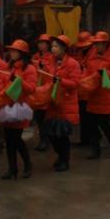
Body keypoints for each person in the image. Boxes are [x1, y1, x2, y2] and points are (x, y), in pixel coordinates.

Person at [39, 35, 80, 172]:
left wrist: (61, 80)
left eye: (56, 46)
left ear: (64, 48)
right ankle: (60, 156)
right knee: (51, 134)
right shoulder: (50, 61)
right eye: (53, 46)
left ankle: (64, 160)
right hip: (52, 103)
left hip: (66, 103)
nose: (53, 49)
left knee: (62, 136)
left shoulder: (73, 64)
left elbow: (75, 84)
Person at [0, 40, 36, 179]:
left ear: (22, 53)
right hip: (7, 107)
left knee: (16, 139)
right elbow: (3, 84)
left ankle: (27, 164)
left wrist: (19, 80)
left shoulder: (29, 69)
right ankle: (12, 169)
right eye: (11, 50)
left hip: (20, 109)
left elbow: (31, 88)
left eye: (15, 51)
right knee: (9, 140)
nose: (11, 53)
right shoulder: (9, 66)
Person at [84, 31, 110, 160]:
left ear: (106, 44)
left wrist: (106, 73)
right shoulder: (91, 58)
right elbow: (87, 74)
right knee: (93, 127)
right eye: (96, 44)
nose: (97, 46)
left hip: (106, 96)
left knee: (105, 125)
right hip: (94, 96)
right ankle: (95, 151)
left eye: (100, 44)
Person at [32, 34, 55, 151]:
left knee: (45, 117)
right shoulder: (35, 57)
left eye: (44, 43)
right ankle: (43, 139)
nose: (41, 45)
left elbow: (52, 73)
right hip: (36, 90)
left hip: (46, 90)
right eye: (40, 43)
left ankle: (46, 141)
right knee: (38, 118)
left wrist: (43, 68)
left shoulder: (52, 57)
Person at [72, 31, 94, 146]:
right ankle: (85, 140)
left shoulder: (93, 56)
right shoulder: (81, 54)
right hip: (81, 90)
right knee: (84, 117)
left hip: (89, 90)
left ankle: (92, 140)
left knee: (89, 118)